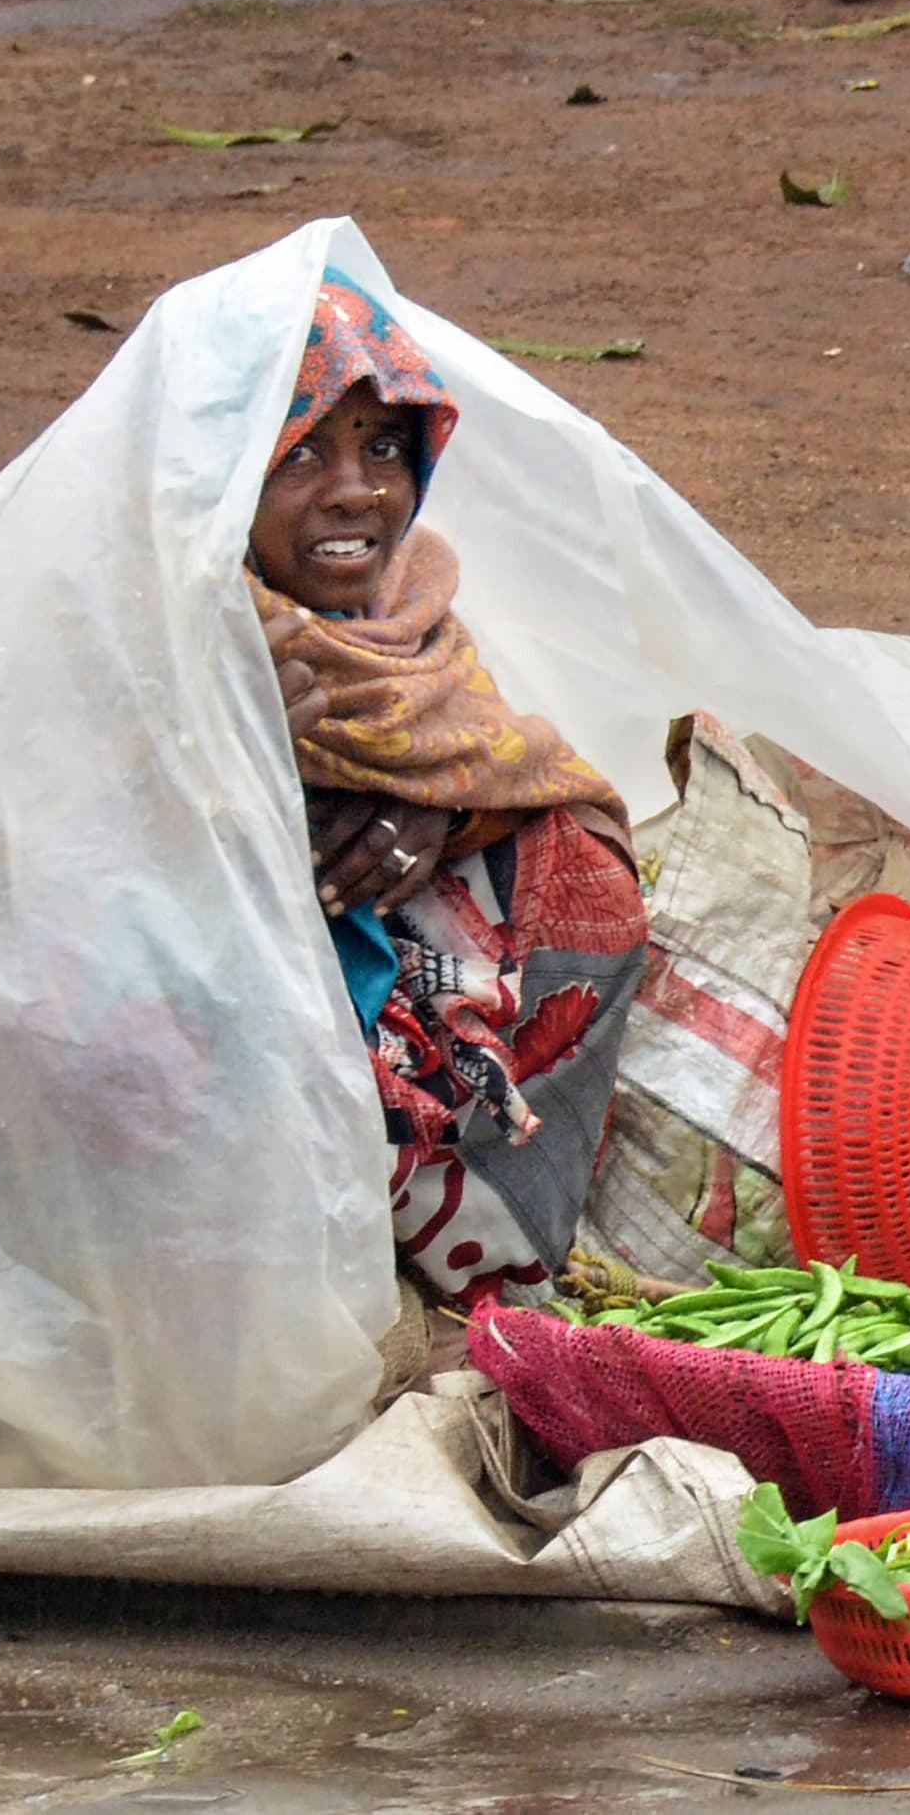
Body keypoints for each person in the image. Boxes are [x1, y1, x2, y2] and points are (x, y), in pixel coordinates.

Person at [248, 271, 648, 1304]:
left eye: (385, 447)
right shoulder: (178, 630)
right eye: (301, 452)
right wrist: (246, 780)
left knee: (576, 864)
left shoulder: (407, 618)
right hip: (196, 1045)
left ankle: (472, 1254)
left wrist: (439, 811)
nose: (355, 490)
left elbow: (523, 770)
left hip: (365, 1008)